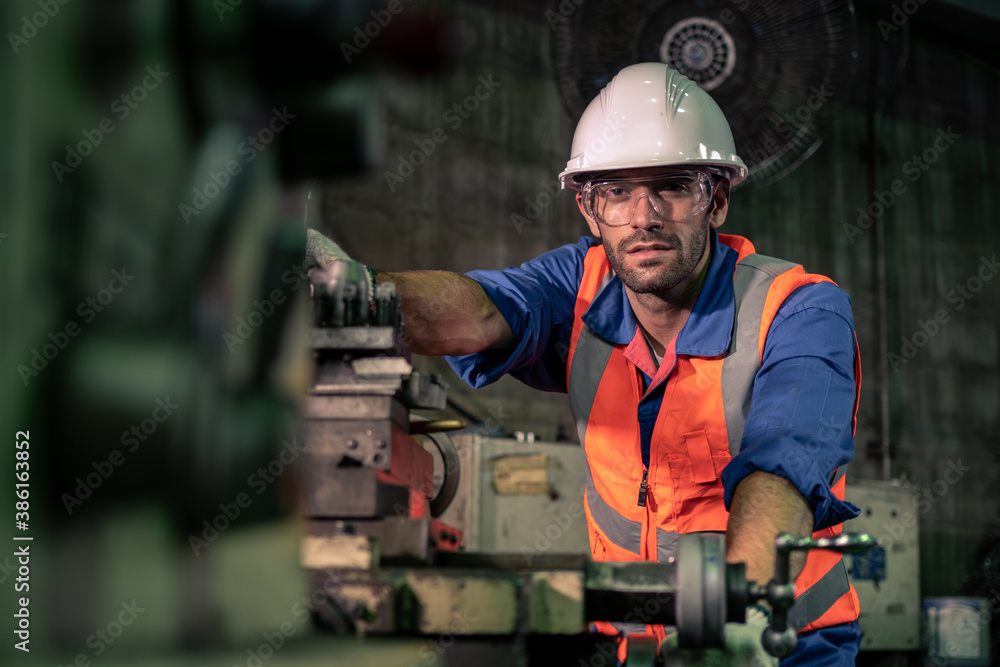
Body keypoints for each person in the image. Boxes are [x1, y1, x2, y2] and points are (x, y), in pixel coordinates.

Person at [307, 63, 862, 664]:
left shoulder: (799, 309)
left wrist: (740, 613)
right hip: (633, 645)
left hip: (776, 644)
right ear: (589, 212)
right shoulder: (578, 287)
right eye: (616, 192)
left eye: (672, 186)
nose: (643, 215)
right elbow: (482, 311)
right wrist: (352, 289)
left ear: (717, 200)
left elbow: (783, 467)